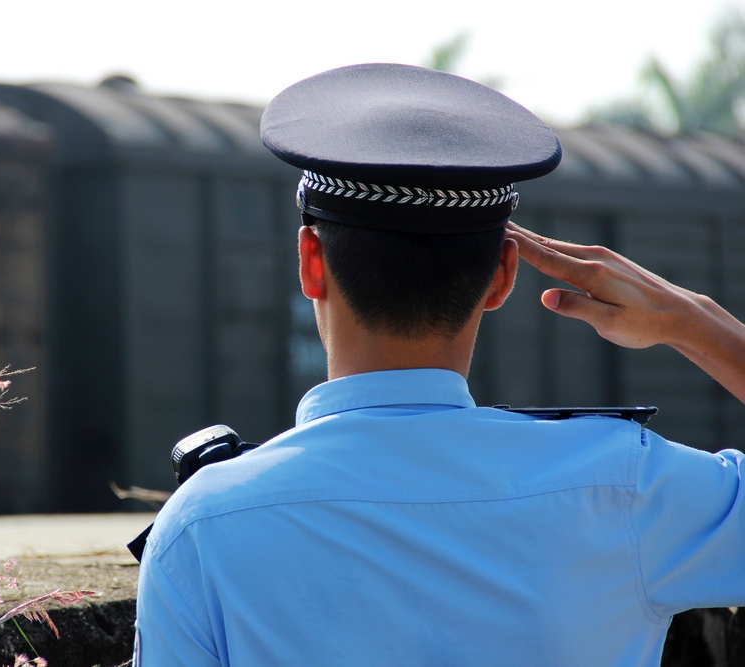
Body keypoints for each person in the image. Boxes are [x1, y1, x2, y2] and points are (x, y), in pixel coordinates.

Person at [133, 64, 745, 666]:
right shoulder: (627, 488)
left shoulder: (202, 528)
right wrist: (695, 322)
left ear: (310, 262)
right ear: (503, 276)